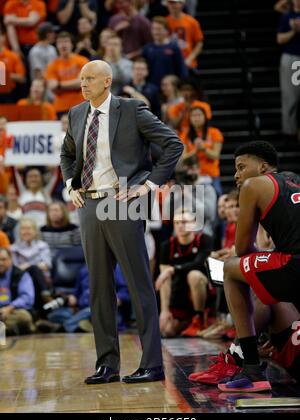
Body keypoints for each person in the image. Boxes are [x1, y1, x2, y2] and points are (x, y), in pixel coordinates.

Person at [60, 60, 183, 384]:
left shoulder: (132, 109)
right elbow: (67, 154)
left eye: (89, 78)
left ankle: (152, 363)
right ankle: (107, 364)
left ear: (107, 81)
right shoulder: (75, 113)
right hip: (89, 202)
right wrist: (70, 185)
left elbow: (173, 144)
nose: (83, 83)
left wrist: (149, 184)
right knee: (99, 289)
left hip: (123, 200)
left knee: (138, 282)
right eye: (81, 78)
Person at [220, 141, 300, 392]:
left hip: (294, 262)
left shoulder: (254, 185)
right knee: (265, 283)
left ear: (263, 166)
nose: (237, 174)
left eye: (242, 166)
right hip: (290, 262)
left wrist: (257, 264)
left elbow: (243, 249)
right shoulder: (294, 179)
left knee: (232, 269)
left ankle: (251, 366)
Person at [157, 209, 213, 337]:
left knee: (194, 275)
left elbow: (199, 263)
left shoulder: (204, 240)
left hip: (202, 294)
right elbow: (163, 281)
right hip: (179, 296)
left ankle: (200, 319)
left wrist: (173, 269)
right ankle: (187, 322)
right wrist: (165, 311)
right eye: (176, 223)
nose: (180, 226)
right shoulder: (167, 246)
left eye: (184, 222)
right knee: (167, 331)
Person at [45, 31, 89, 117]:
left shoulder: (82, 60)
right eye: (60, 42)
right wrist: (72, 84)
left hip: (81, 106)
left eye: (66, 41)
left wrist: (59, 85)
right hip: (61, 108)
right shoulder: (52, 65)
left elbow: (81, 82)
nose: (63, 45)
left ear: (72, 44)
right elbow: (52, 86)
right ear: (57, 46)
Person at [277, 0, 300, 142]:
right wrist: (294, 31)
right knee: (291, 96)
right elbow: (280, 39)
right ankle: (289, 132)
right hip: (293, 59)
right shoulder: (287, 16)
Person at [0, 247, 35, 335]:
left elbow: (27, 298)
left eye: (3, 259)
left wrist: (9, 308)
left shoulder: (21, 275)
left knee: (24, 317)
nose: (0, 263)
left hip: (14, 311)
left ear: (11, 259)